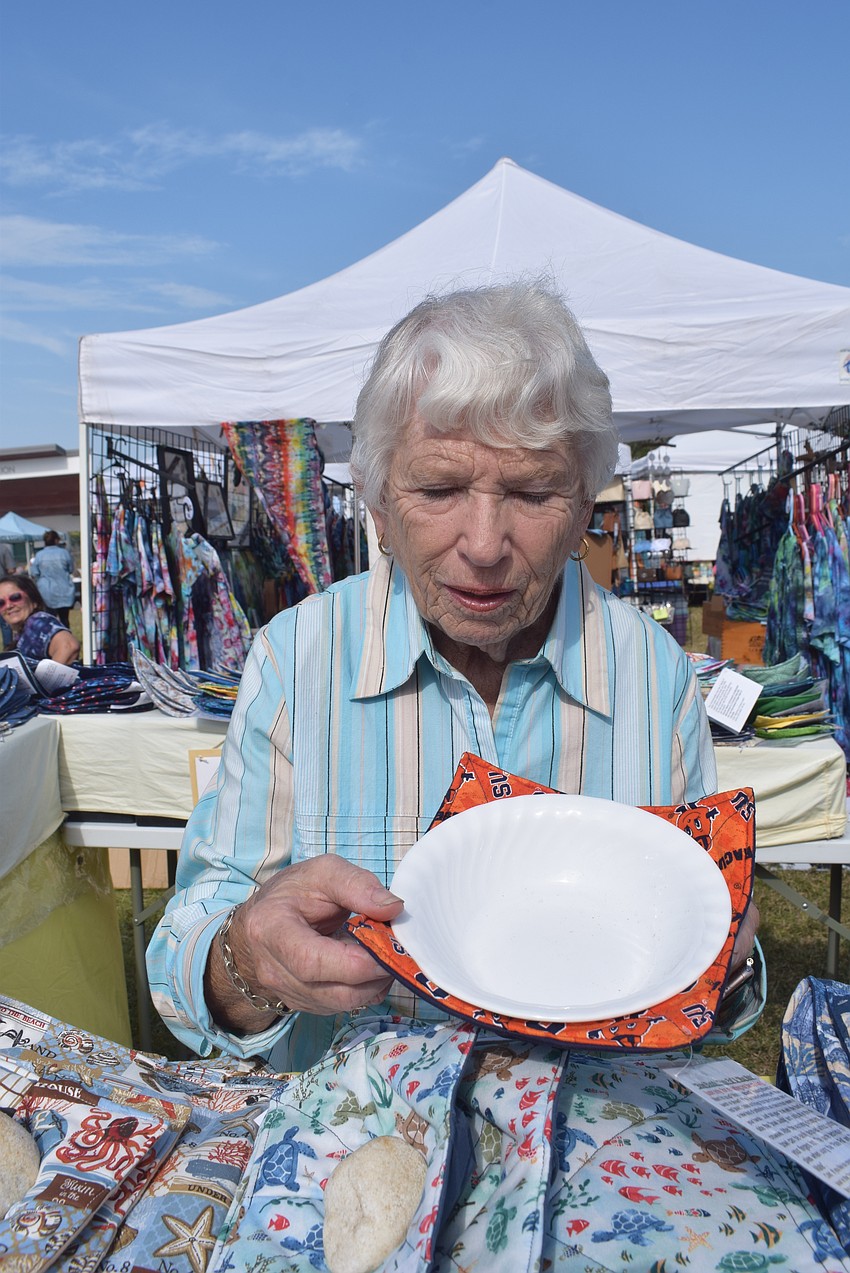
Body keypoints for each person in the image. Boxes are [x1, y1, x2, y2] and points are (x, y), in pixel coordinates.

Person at [148, 282, 758, 1073]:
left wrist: (728, 957)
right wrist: (247, 958)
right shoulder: (297, 661)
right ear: (376, 501)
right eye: (438, 489)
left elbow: (717, 993)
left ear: (582, 510)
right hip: (351, 1153)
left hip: (590, 1152)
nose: (483, 542)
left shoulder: (652, 670)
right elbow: (184, 955)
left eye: (534, 491)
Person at [0, 573, 80, 664]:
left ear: (33, 600)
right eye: (1, 603)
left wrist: (48, 677)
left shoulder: (36, 622)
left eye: (15, 597)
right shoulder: (24, 630)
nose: (8, 606)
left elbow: (69, 646)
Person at [29, 530, 76, 626]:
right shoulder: (64, 553)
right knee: (64, 619)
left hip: (46, 592)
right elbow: (71, 569)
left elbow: (35, 572)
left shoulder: (39, 555)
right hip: (64, 590)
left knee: (49, 620)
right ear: (56, 540)